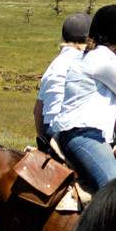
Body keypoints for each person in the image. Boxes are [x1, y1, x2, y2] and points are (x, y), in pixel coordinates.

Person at [51, 4, 116, 190]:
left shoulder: (88, 55)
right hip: (85, 136)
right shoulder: (104, 60)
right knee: (114, 191)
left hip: (77, 133)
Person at [34, 13, 90, 146]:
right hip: (72, 131)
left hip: (49, 130)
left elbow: (37, 111)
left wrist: (43, 141)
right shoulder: (87, 63)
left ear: (63, 37)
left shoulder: (54, 65)